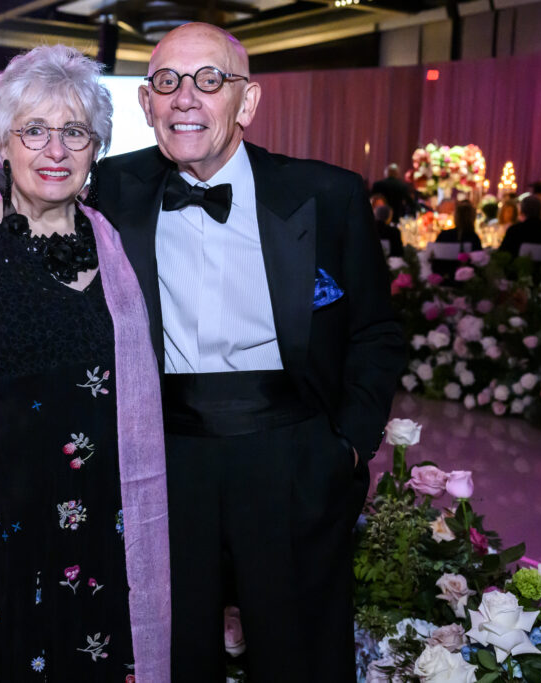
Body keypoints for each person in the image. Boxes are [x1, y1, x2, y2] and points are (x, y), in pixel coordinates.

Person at [94, 23, 406, 681]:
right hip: (164, 453)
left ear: (248, 101)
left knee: (300, 652)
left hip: (289, 450)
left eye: (209, 80)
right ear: (146, 103)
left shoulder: (327, 194)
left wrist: (346, 443)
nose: (185, 99)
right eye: (167, 82)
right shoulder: (108, 191)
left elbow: (376, 331)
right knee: (172, 650)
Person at [0, 45, 170, 682]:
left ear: (96, 147)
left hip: (99, 529)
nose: (56, 150)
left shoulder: (118, 243)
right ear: (3, 142)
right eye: (35, 130)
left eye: (75, 132)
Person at [498, 194, 541, 259]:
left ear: (522, 211)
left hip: (517, 268)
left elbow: (501, 254)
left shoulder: (514, 230)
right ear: (540, 210)